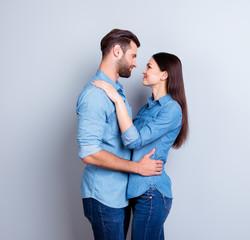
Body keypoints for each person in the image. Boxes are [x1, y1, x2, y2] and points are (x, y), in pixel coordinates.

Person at [76, 29, 164, 240]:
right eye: (133, 56)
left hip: (118, 196)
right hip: (103, 197)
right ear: (117, 51)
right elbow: (88, 153)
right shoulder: (95, 95)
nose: (135, 63)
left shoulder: (116, 92)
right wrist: (137, 168)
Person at [92, 52, 189, 240]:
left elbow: (133, 141)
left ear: (164, 75)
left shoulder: (172, 109)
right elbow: (127, 141)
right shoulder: (148, 108)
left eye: (149, 67)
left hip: (151, 191)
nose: (143, 71)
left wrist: (118, 100)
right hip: (138, 191)